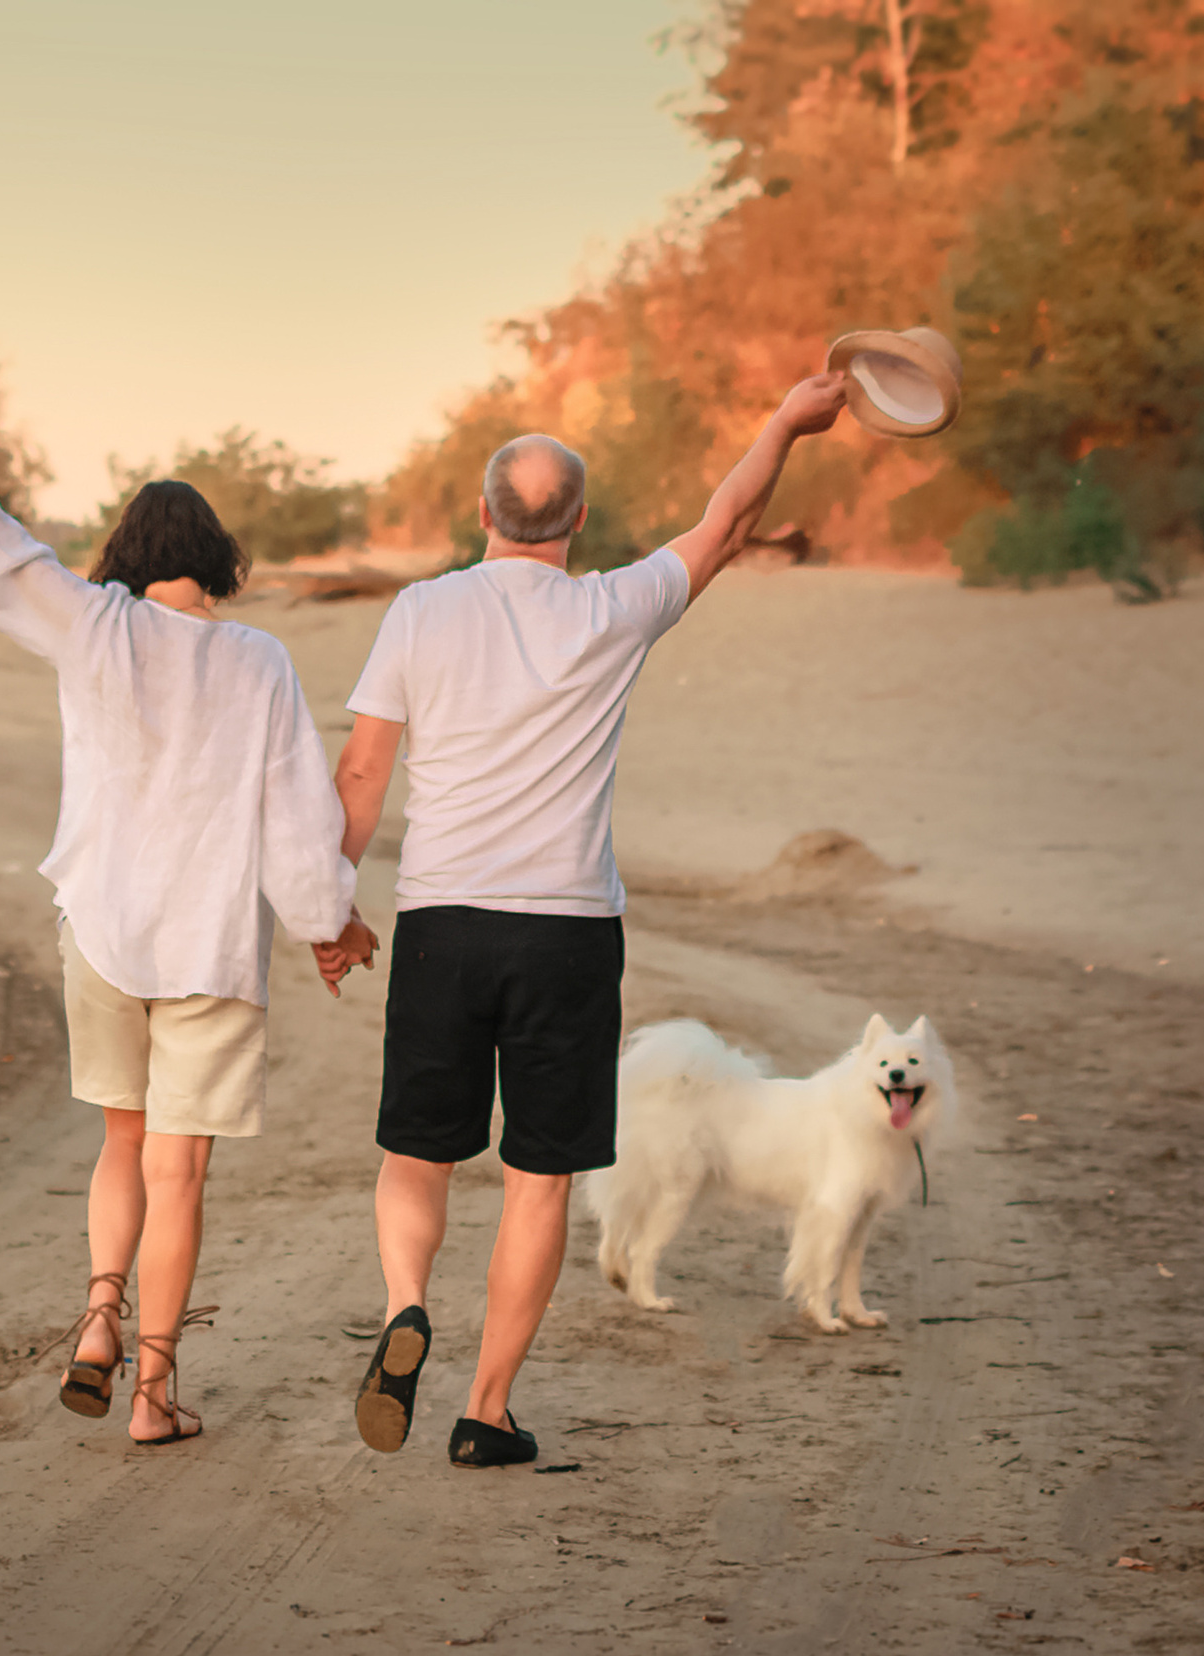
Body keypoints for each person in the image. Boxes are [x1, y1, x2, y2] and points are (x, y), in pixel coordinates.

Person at [0, 371, 363, 1445]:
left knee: (119, 1145)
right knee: (181, 1169)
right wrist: (327, 923)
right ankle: (155, 1398)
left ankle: (95, 1322)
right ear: (216, 561)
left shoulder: (94, 626)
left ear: (125, 554)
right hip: (209, 945)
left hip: (106, 932)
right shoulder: (259, 661)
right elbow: (297, 814)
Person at [325, 374, 848, 1468]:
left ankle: (406, 1301)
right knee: (540, 1176)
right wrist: (785, 423)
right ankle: (487, 1408)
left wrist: (333, 910)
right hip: (564, 931)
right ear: (575, 523)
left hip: (441, 920)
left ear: (481, 517)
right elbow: (728, 521)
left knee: (417, 1155)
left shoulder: (419, 610)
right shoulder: (615, 605)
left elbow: (363, 773)